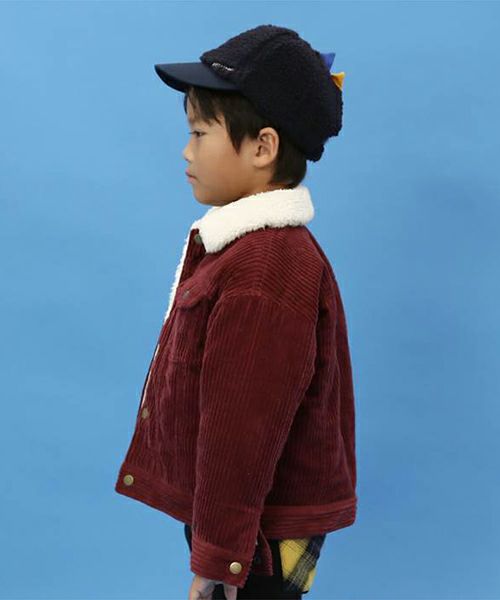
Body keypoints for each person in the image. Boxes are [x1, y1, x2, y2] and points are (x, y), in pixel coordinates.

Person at [114, 24, 357, 600]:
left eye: (200, 133)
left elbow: (241, 428)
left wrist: (220, 557)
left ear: (263, 148)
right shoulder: (245, 250)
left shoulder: (265, 268)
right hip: (240, 519)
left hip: (256, 534)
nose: (186, 150)